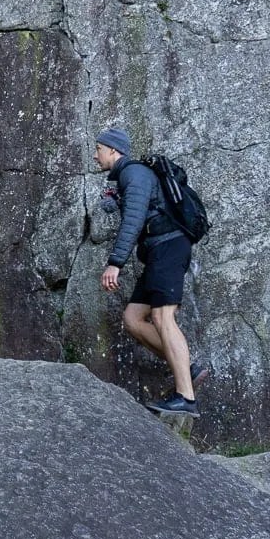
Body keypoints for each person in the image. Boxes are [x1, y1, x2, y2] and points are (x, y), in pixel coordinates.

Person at [93, 126, 207, 417]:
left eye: (99, 149)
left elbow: (133, 221)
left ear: (113, 150)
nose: (95, 155)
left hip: (169, 247)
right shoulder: (130, 177)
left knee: (162, 317)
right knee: (133, 318)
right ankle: (186, 368)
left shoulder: (134, 173)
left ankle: (186, 398)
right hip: (159, 251)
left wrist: (115, 263)